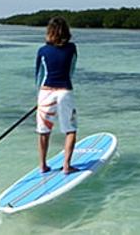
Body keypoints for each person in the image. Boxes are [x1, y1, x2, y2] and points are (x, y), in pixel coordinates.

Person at [35, 16, 79, 174]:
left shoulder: (42, 51)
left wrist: (39, 98)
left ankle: (43, 165)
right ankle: (67, 166)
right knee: (70, 129)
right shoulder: (72, 48)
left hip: (45, 92)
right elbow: (71, 70)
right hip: (65, 91)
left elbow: (39, 76)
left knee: (43, 130)